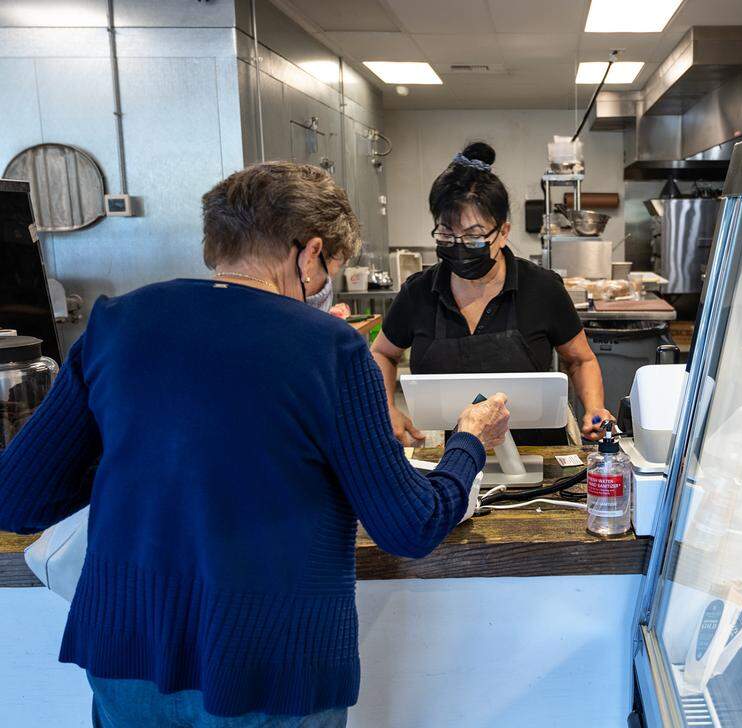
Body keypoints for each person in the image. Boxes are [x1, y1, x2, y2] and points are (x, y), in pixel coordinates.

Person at [0, 162, 511, 727]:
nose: (321, 290)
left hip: (125, 655)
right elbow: (407, 527)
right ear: (309, 252)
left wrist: (143, 446)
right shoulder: (329, 350)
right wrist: (469, 441)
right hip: (271, 666)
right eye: (328, 272)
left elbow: (18, 498)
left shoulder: (118, 323)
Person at [371, 142, 613, 446]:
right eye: (446, 233)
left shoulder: (541, 288)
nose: (459, 245)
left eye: (473, 235)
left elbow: (580, 360)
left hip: (542, 456)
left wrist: (594, 407)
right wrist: (385, 408)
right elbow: (382, 352)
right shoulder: (419, 292)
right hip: (459, 457)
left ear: (503, 232)